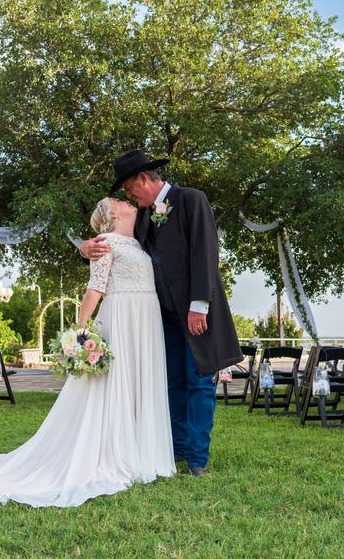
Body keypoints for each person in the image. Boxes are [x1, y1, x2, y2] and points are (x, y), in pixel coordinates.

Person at [0, 197, 174, 509]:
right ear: (113, 212)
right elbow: (95, 287)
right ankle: (115, 452)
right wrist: (79, 330)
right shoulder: (104, 243)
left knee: (141, 382)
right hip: (122, 316)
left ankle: (141, 449)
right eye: (118, 199)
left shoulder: (139, 240)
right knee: (116, 383)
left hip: (147, 317)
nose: (126, 200)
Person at [80, 149, 242, 477]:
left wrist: (199, 307)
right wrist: (85, 248)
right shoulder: (141, 215)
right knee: (173, 382)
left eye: (129, 189)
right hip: (163, 317)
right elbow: (114, 244)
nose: (129, 196)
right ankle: (178, 448)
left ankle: (197, 460)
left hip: (198, 313)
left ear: (143, 178)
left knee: (199, 382)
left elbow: (205, 254)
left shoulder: (192, 200)